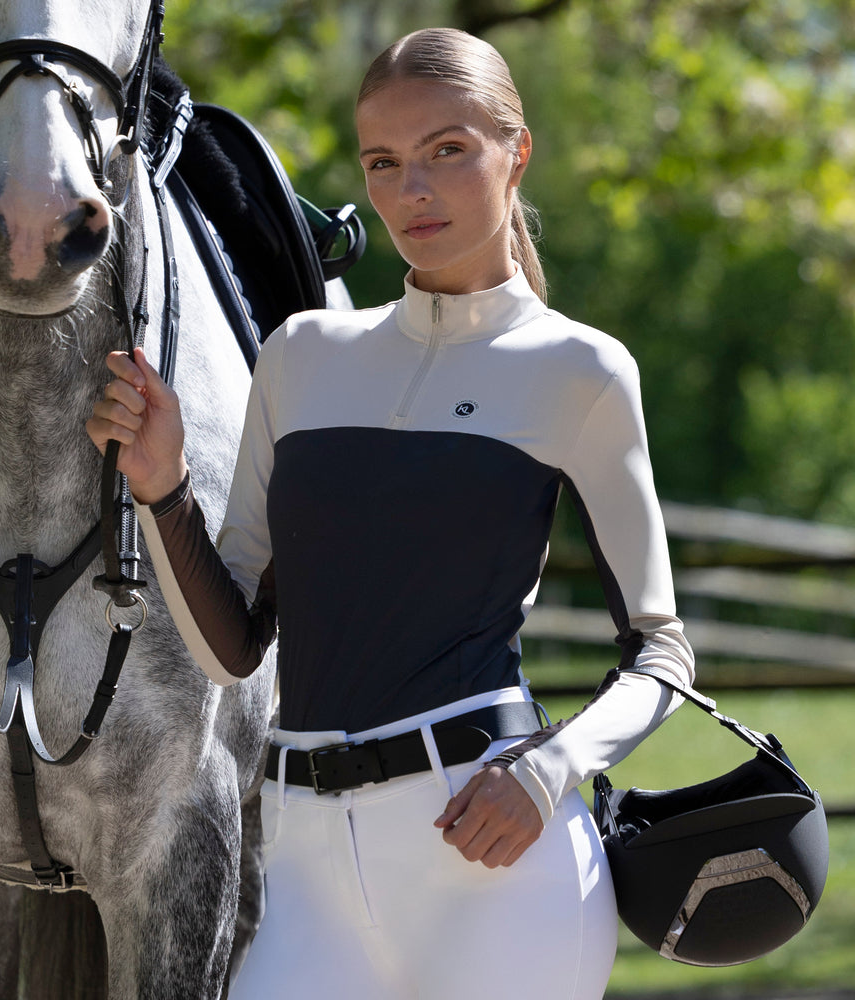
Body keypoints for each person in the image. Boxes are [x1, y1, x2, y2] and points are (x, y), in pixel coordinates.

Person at [86, 27, 694, 1000]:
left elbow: (661, 653)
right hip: (306, 868)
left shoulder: (579, 369)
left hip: (496, 857)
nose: (413, 189)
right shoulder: (302, 354)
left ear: (515, 152)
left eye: (447, 150)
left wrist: (547, 771)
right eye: (383, 162)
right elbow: (235, 650)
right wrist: (163, 489)